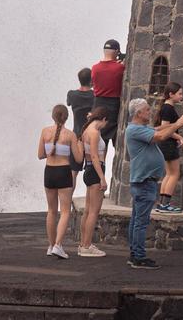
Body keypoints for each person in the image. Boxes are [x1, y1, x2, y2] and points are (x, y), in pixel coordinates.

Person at [123, 96, 183, 269]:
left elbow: (157, 129)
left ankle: (135, 255)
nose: (149, 111)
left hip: (143, 181)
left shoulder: (139, 128)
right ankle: (138, 257)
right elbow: (158, 136)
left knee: (137, 220)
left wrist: (172, 128)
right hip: (145, 182)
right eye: (146, 110)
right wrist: (177, 125)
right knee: (140, 222)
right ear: (138, 113)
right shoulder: (136, 130)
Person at [38, 104, 83, 259]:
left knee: (51, 210)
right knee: (65, 211)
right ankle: (58, 245)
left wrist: (51, 151)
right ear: (66, 117)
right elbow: (78, 159)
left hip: (49, 172)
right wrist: (80, 146)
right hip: (63, 172)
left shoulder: (45, 132)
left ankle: (51, 246)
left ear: (53, 116)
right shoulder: (70, 135)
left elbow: (40, 155)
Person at [76, 105, 111, 257]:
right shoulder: (95, 132)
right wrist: (103, 178)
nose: (105, 126)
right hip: (96, 171)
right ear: (103, 119)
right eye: (106, 123)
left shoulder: (86, 130)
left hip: (88, 170)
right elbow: (96, 157)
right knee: (93, 212)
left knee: (88, 210)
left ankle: (83, 244)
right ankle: (87, 246)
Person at [153, 82, 183, 213]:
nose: (181, 96)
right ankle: (165, 205)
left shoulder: (167, 107)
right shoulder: (168, 108)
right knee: (174, 174)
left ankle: (162, 204)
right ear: (171, 94)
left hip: (166, 144)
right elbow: (165, 127)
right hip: (168, 144)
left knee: (169, 174)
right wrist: (180, 137)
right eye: (179, 94)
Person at [90, 40, 125, 146]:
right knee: (116, 141)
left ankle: (100, 162)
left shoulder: (95, 68)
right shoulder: (120, 67)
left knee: (100, 141)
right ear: (117, 52)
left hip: (98, 104)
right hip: (114, 105)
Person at [66, 68, 94, 180]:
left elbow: (68, 103)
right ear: (92, 80)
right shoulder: (95, 96)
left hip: (76, 135)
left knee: (73, 171)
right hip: (91, 136)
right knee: (92, 169)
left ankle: (68, 197)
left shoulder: (72, 95)